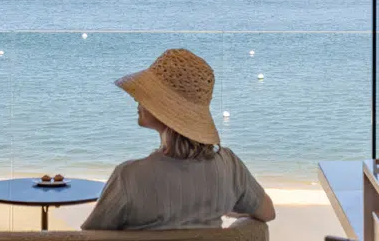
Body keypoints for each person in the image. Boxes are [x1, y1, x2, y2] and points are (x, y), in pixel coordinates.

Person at [81, 49, 276, 231]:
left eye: (147, 95)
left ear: (163, 109)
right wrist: (220, 207)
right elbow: (267, 213)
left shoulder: (128, 178)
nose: (137, 100)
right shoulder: (230, 167)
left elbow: (90, 236)